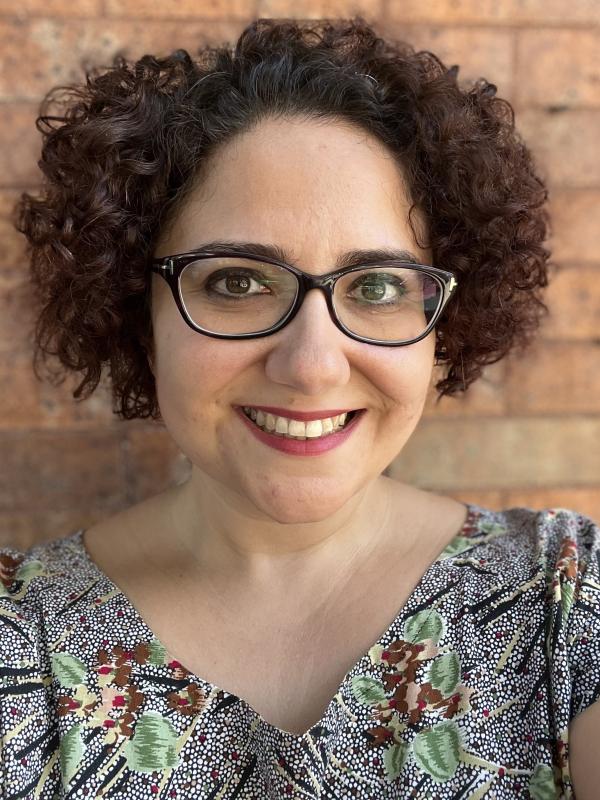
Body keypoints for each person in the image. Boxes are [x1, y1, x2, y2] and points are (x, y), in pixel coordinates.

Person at [1, 15, 598, 799]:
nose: (313, 367)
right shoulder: (22, 642)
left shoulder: (565, 602)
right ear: (136, 313)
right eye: (239, 282)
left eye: (377, 287)